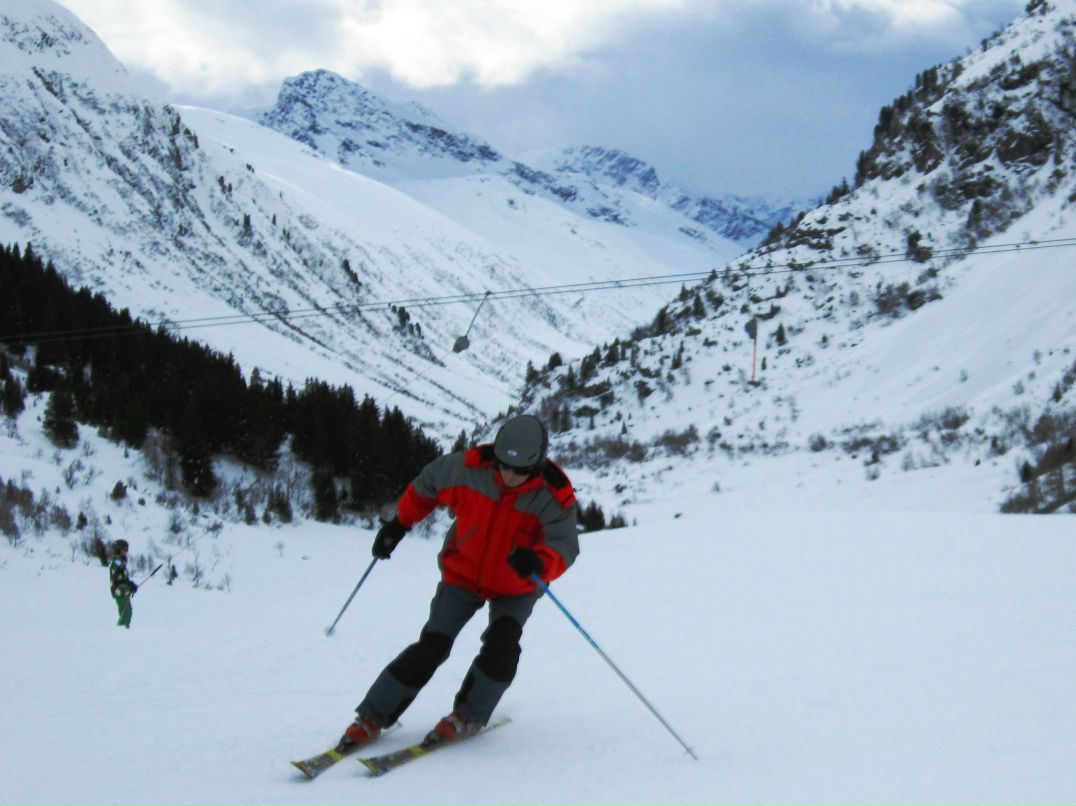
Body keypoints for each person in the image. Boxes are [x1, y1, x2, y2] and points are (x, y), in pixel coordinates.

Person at [337, 414, 579, 751]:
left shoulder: (554, 495)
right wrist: (399, 525)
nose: (509, 475)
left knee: (501, 646)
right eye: (503, 466)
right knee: (432, 645)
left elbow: (564, 547)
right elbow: (425, 487)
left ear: (536, 466)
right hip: (462, 573)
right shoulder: (466, 469)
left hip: (516, 586)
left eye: (520, 470)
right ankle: (372, 717)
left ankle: (468, 716)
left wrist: (539, 561)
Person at [109, 539, 138, 628]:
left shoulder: (121, 563)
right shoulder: (116, 564)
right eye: (124, 550)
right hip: (119, 592)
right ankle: (120, 633)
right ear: (118, 550)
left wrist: (131, 585)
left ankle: (124, 632)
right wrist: (129, 586)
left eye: (127, 550)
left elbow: (124, 579)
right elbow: (118, 580)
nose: (126, 552)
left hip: (123, 592)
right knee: (126, 614)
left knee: (128, 612)